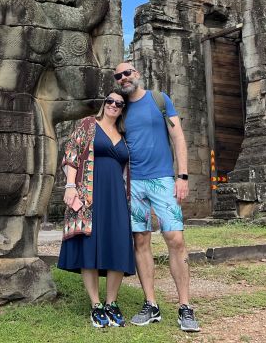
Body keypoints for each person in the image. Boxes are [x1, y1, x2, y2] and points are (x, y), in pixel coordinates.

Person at [115, 62, 201, 333]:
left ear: (137, 75)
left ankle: (185, 306)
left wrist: (183, 176)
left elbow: (178, 137)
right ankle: (151, 304)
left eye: (127, 73)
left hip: (163, 179)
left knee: (175, 239)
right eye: (118, 76)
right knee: (140, 240)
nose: (123, 78)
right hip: (135, 183)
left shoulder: (159, 99)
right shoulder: (121, 110)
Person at [58, 92, 135, 328]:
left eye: (119, 104)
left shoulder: (124, 135)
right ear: (104, 104)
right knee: (89, 246)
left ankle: (111, 302)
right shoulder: (89, 124)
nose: (113, 105)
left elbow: (127, 169)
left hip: (117, 197)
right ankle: (96, 304)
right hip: (88, 192)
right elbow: (72, 153)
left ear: (123, 109)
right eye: (110, 101)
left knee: (119, 244)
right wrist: (70, 186)